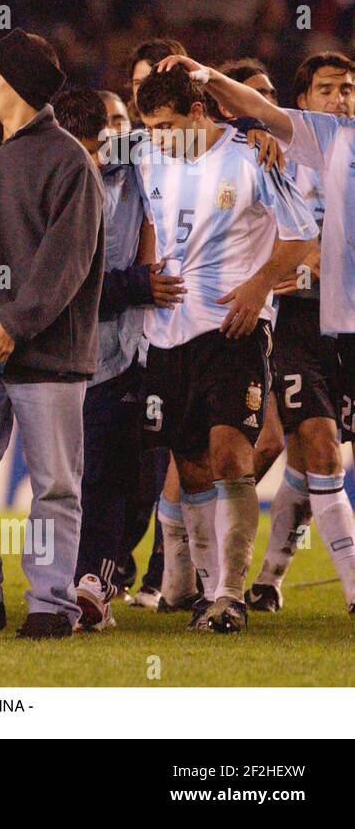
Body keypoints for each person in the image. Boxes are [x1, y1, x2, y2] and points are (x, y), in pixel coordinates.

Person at [159, 52, 355, 615]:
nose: (340, 98)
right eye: (327, 89)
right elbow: (255, 110)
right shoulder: (281, 152)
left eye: (348, 88)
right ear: (302, 100)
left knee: (296, 449)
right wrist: (209, 76)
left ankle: (265, 578)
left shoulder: (343, 144)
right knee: (300, 444)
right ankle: (195, 577)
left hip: (341, 323)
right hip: (292, 321)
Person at [134, 62, 318, 633]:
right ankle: (203, 592)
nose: (159, 138)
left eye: (167, 125)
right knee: (189, 467)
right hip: (167, 331)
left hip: (233, 327)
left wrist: (260, 285)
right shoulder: (142, 153)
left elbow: (300, 235)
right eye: (150, 127)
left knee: (231, 457)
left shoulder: (250, 156)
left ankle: (230, 596)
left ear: (199, 111)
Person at [0, 28, 102, 641]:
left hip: (48, 354)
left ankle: (50, 606)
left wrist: (13, 322)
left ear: (17, 83)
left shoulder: (69, 160)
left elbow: (68, 260)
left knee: (55, 484)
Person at [53, 86, 183, 630]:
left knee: (120, 479)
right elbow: (67, 286)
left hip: (127, 354)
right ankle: (66, 579)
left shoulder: (141, 170)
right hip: (62, 355)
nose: (116, 134)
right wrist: (135, 284)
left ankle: (93, 582)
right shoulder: (59, 176)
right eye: (105, 123)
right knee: (69, 479)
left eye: (123, 123)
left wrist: (256, 134)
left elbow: (204, 137)